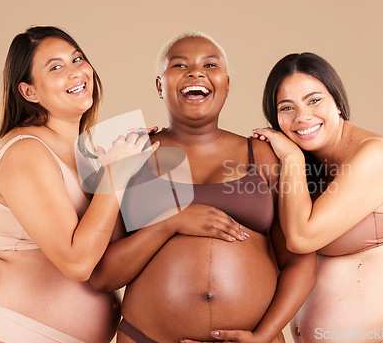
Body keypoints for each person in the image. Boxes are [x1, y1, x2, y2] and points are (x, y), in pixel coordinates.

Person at [89, 31, 317, 343]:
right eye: (180, 66)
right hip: (147, 337)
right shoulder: (130, 157)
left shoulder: (263, 155)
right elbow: (103, 276)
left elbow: (299, 260)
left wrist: (262, 336)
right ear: (160, 85)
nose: (196, 72)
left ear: (226, 84)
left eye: (210, 65)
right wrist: (169, 223)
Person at [0, 26, 157, 343]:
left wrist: (140, 169)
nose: (76, 72)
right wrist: (116, 175)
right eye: (56, 67)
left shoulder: (89, 155)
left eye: (77, 59)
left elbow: (114, 252)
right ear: (30, 92)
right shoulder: (26, 151)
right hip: (9, 334)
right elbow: (77, 262)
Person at [253, 52, 383, 343]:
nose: (302, 116)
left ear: (337, 101)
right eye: (287, 107)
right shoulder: (307, 172)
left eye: (314, 100)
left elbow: (302, 238)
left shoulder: (377, 156)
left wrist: (292, 156)